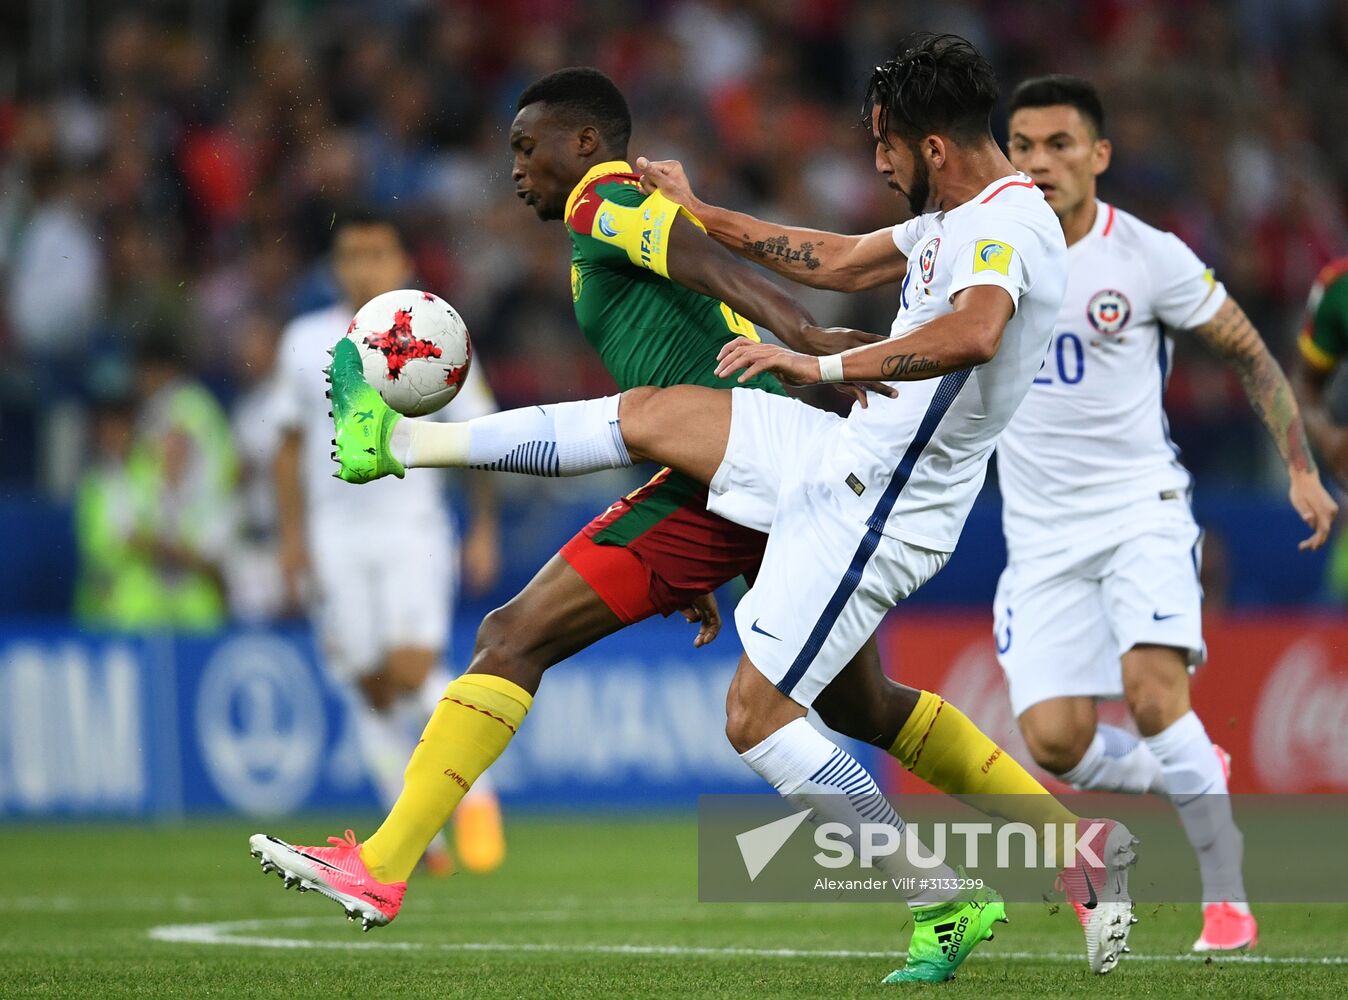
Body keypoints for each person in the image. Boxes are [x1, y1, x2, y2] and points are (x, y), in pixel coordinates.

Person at [252, 39, 1138, 981]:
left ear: (929, 146)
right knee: (855, 695)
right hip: (822, 458)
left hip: (879, 494)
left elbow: (975, 328)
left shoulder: (1006, 227)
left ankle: (946, 893)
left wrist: (813, 356)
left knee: (714, 695)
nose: (872, 164)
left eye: (883, 146)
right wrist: (705, 210)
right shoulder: (950, 221)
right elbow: (831, 258)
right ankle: (1066, 852)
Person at [991, 75, 1337, 953]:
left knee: (1153, 697)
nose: (1040, 163)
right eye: (1023, 146)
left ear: (1098, 156)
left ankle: (1227, 900)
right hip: (1037, 538)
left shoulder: (1147, 255)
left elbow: (1252, 355)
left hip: (1139, 509)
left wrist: (1299, 468)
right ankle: (1195, 769)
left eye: (1059, 145)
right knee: (1056, 744)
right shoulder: (982, 260)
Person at [269, 210, 506, 876]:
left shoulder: (431, 330)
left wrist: (482, 527)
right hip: (333, 536)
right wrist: (290, 540)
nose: (362, 267)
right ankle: (420, 842)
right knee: (369, 687)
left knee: (409, 671)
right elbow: (286, 447)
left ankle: (475, 798)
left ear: (402, 261)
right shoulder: (301, 341)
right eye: (349, 255)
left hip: (411, 529)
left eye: (376, 253)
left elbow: (481, 436)